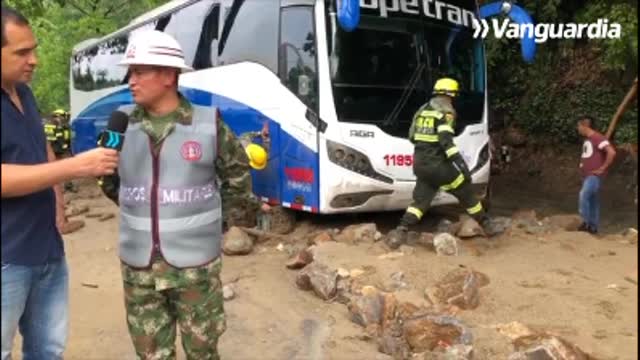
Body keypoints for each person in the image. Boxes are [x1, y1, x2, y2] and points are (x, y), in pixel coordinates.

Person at [99, 30, 267, 359]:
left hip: (196, 268)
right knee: (151, 354)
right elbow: (107, 180)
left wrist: (224, 226)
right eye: (130, 72)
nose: (131, 80)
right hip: (139, 265)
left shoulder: (208, 123)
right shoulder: (120, 124)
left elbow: (237, 179)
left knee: (203, 353)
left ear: (167, 75)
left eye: (139, 71)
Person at [1, 5, 119, 359]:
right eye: (22, 52)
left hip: (47, 249)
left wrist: (58, 207)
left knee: (48, 350)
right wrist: (74, 168)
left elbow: (43, 149)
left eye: (34, 49)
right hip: (7, 257)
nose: (34, 60)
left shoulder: (25, 93)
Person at [386, 77, 500, 249]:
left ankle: (401, 230)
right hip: (439, 167)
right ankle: (487, 225)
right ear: (451, 95)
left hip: (420, 165)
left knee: (420, 203)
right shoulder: (445, 113)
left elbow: (411, 136)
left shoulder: (422, 110)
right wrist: (462, 166)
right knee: (466, 192)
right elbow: (447, 143)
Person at [576, 115, 616, 234]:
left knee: (584, 195)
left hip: (593, 176)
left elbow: (611, 152)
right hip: (588, 175)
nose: (577, 128)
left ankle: (586, 222)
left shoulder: (597, 137)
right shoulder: (589, 139)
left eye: (578, 126)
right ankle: (593, 227)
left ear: (585, 125)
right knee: (593, 200)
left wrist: (602, 168)